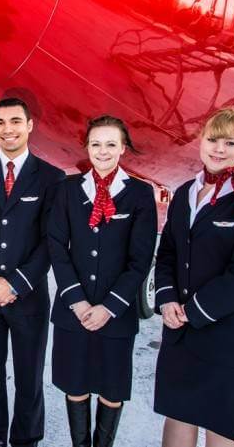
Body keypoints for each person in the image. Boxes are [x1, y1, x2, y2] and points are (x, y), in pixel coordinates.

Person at [153, 107, 234, 447]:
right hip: (182, 332)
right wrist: (167, 299)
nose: (219, 149)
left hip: (232, 337)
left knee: (221, 427)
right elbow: (167, 253)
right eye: (213, 140)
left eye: (230, 142)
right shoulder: (184, 193)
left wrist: (191, 312)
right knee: (178, 415)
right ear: (201, 142)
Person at [0, 97, 65, 447]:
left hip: (29, 298)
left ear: (30, 126)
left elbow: (52, 239)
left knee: (29, 380)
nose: (8, 130)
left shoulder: (52, 178)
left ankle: (26, 441)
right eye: (0, 122)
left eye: (15, 121)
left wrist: (16, 283)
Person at [48, 115, 157, 447]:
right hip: (73, 312)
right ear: (87, 148)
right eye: (96, 144)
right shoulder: (68, 190)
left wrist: (109, 308)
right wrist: (78, 302)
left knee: (112, 391)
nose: (103, 151)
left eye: (111, 144)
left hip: (116, 314)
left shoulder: (139, 194)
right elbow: (56, 247)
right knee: (76, 387)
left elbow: (140, 261)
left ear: (123, 149)